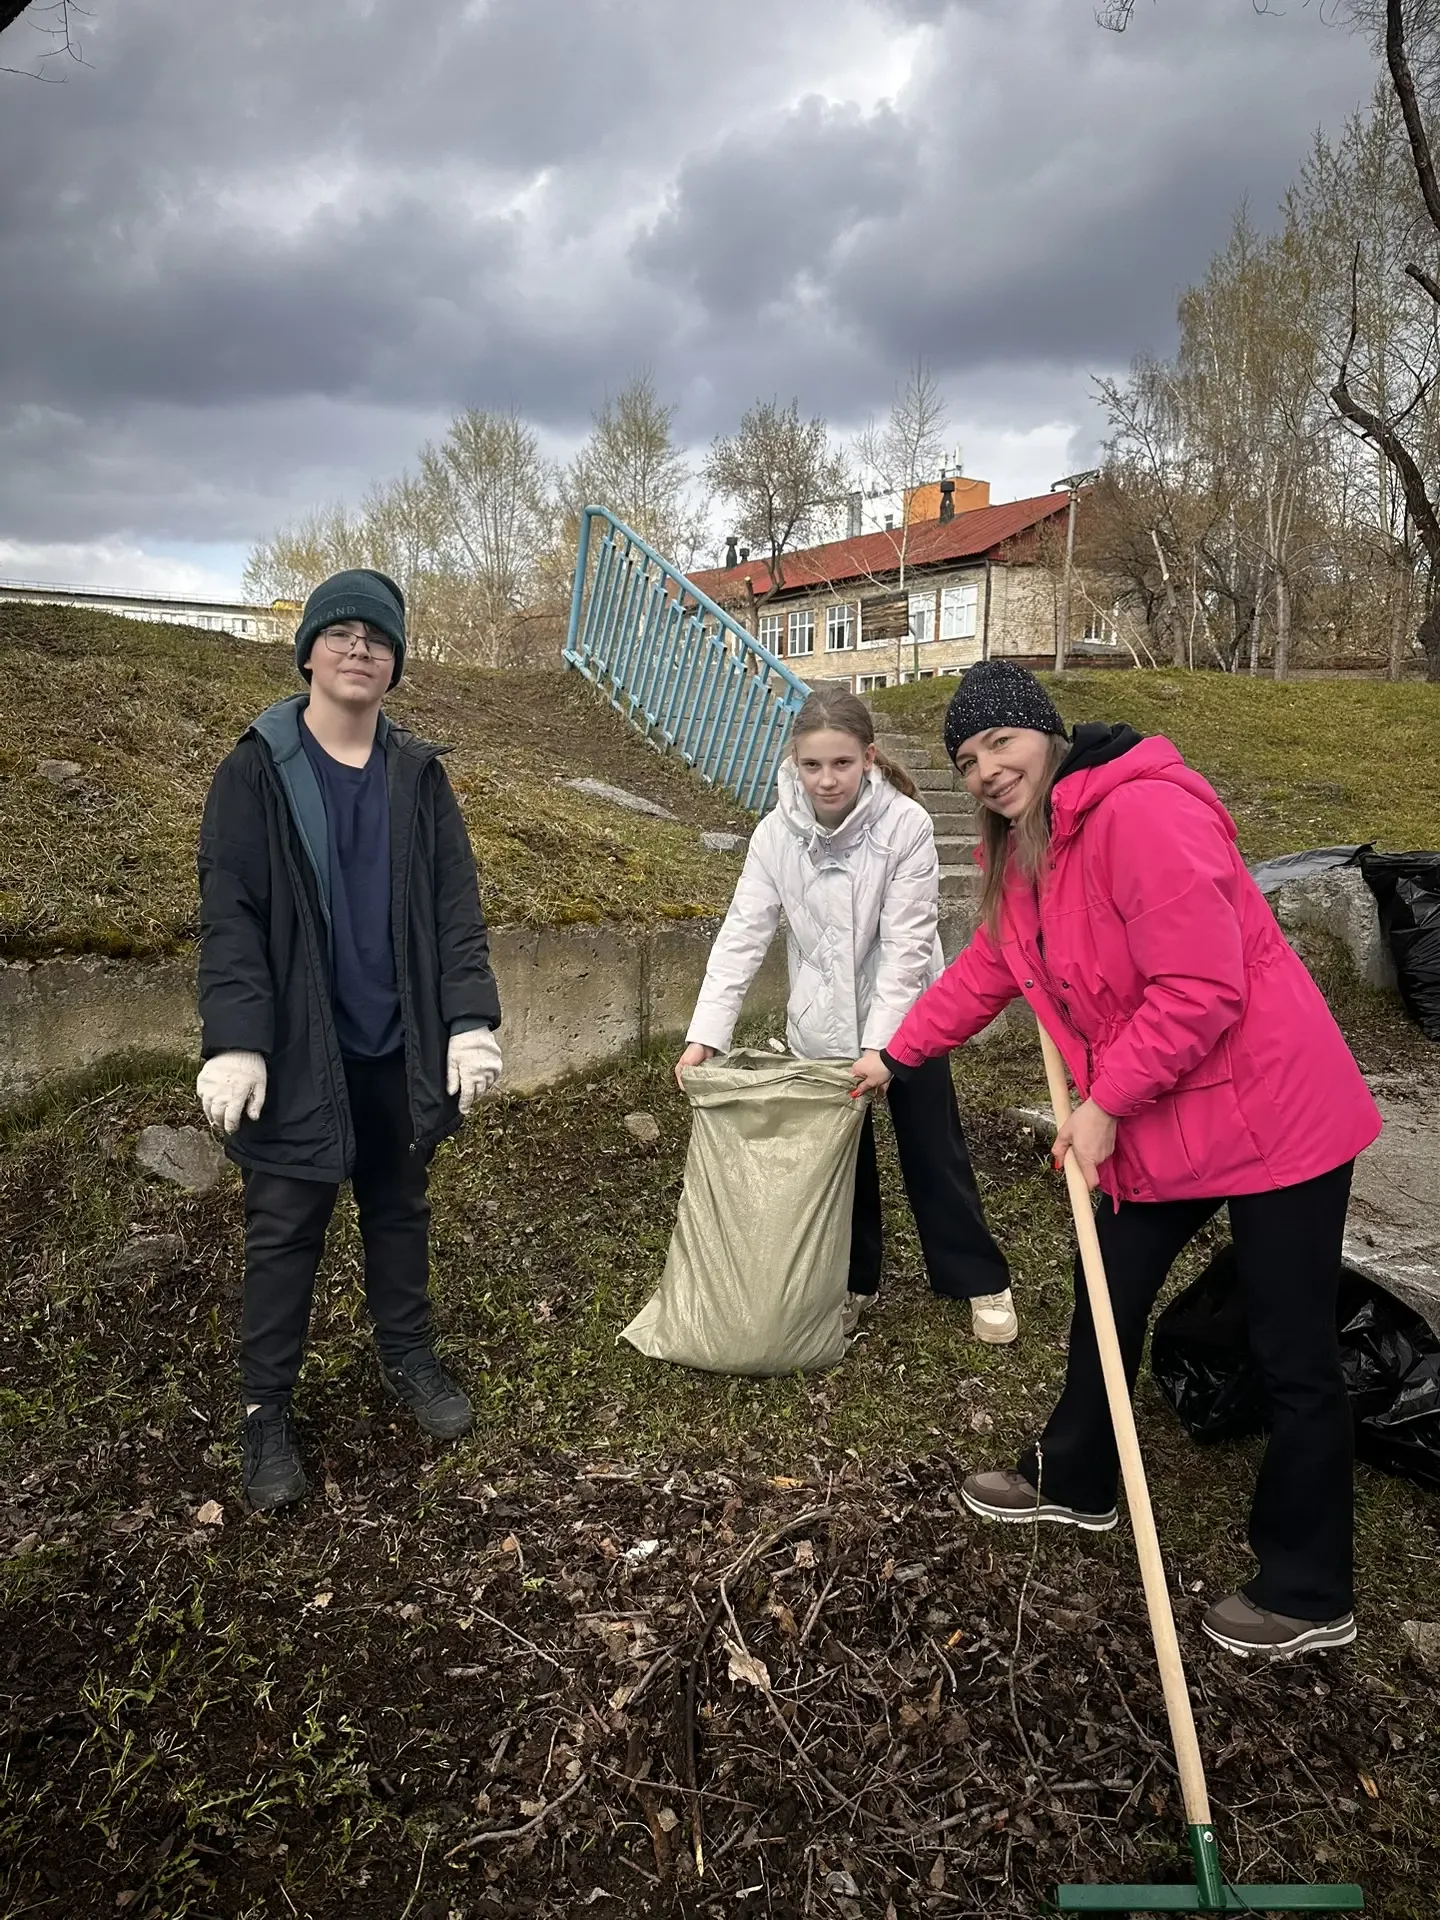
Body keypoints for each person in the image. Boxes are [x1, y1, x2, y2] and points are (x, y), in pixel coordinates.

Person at [852, 659, 1382, 1658]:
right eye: (966, 760)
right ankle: (1079, 1478)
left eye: (1000, 743)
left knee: (1291, 1347)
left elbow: (1200, 987)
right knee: (1108, 1288)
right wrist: (896, 1055)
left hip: (1275, 1109)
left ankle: (1309, 1591)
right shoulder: (1026, 855)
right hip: (1170, 1113)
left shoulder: (1142, 814)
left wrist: (1101, 1107)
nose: (985, 770)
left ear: (1047, 735)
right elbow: (988, 969)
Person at [196, 568, 503, 1510]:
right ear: (309, 653)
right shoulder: (258, 768)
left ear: (395, 663)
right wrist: (238, 1040)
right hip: (299, 1053)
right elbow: (232, 916)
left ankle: (408, 1355)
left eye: (378, 638)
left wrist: (469, 1021)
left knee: (399, 1207)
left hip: (395, 1047)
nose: (359, 648)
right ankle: (265, 1412)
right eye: (341, 633)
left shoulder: (418, 775)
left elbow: (455, 909)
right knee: (284, 1231)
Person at [676, 685, 1015, 1340]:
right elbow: (742, 935)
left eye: (841, 763)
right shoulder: (773, 836)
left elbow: (907, 946)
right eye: (812, 765)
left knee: (933, 1150)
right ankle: (855, 1279)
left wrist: (884, 1048)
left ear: (869, 758)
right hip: (821, 1026)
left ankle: (976, 1276)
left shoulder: (906, 826)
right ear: (794, 763)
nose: (826, 780)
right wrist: (707, 1033)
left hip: (909, 1022)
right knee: (839, 1162)